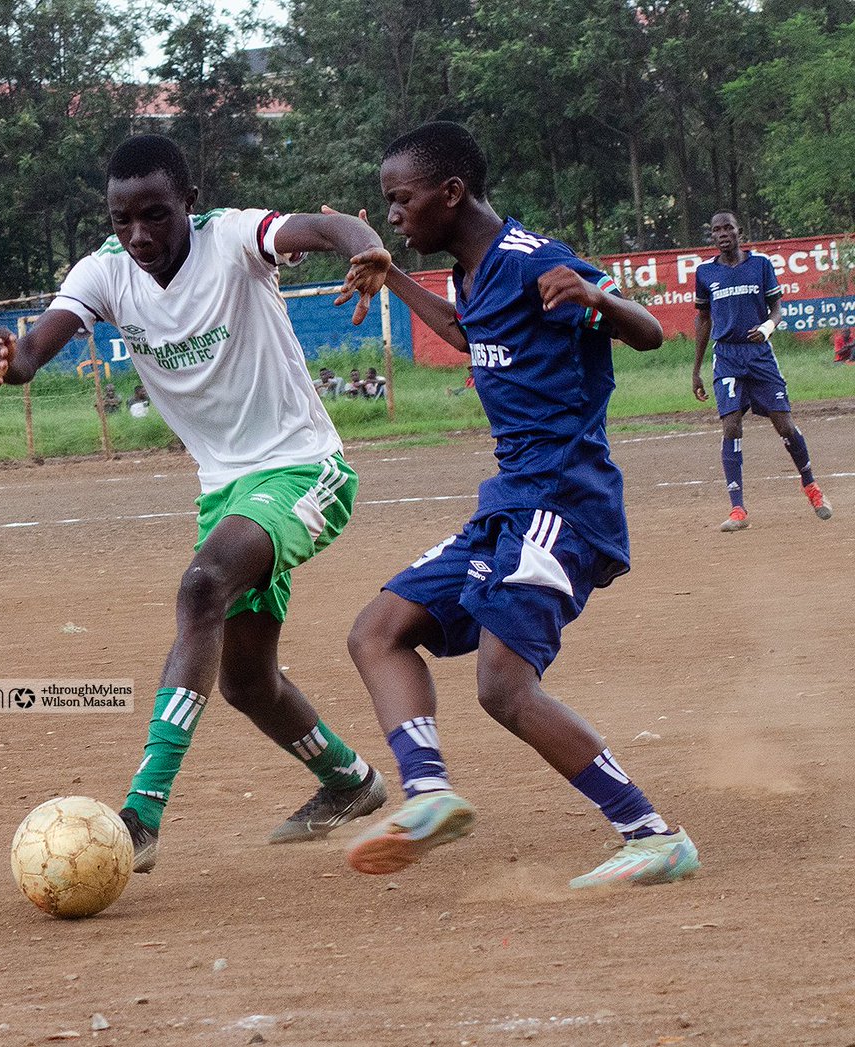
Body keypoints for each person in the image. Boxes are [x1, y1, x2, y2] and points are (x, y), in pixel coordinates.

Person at [0, 133, 394, 873]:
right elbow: (38, 348)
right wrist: (13, 364)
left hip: (304, 472)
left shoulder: (234, 239)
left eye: (156, 216)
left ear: (190, 208)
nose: (138, 235)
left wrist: (366, 247)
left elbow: (323, 229)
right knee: (245, 680)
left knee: (202, 585)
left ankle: (140, 816)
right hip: (227, 493)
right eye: (121, 218)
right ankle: (348, 781)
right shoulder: (105, 274)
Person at [335, 120, 698, 888]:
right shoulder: (475, 269)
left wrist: (598, 298)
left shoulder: (538, 259)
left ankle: (652, 833)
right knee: (378, 631)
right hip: (512, 502)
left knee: (503, 685)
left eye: (400, 201)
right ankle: (428, 793)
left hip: (564, 500)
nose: (393, 215)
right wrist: (395, 276)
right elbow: (471, 335)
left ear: (451, 192)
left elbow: (649, 334)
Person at [692, 211, 832, 531]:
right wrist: (696, 370)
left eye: (729, 227)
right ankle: (738, 509)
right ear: (712, 236)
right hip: (726, 357)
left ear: (740, 232)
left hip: (759, 356)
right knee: (731, 427)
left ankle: (810, 485)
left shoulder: (761, 265)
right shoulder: (704, 273)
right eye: (717, 230)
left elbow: (777, 308)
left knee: (784, 424)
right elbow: (702, 320)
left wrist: (768, 327)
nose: (723, 233)